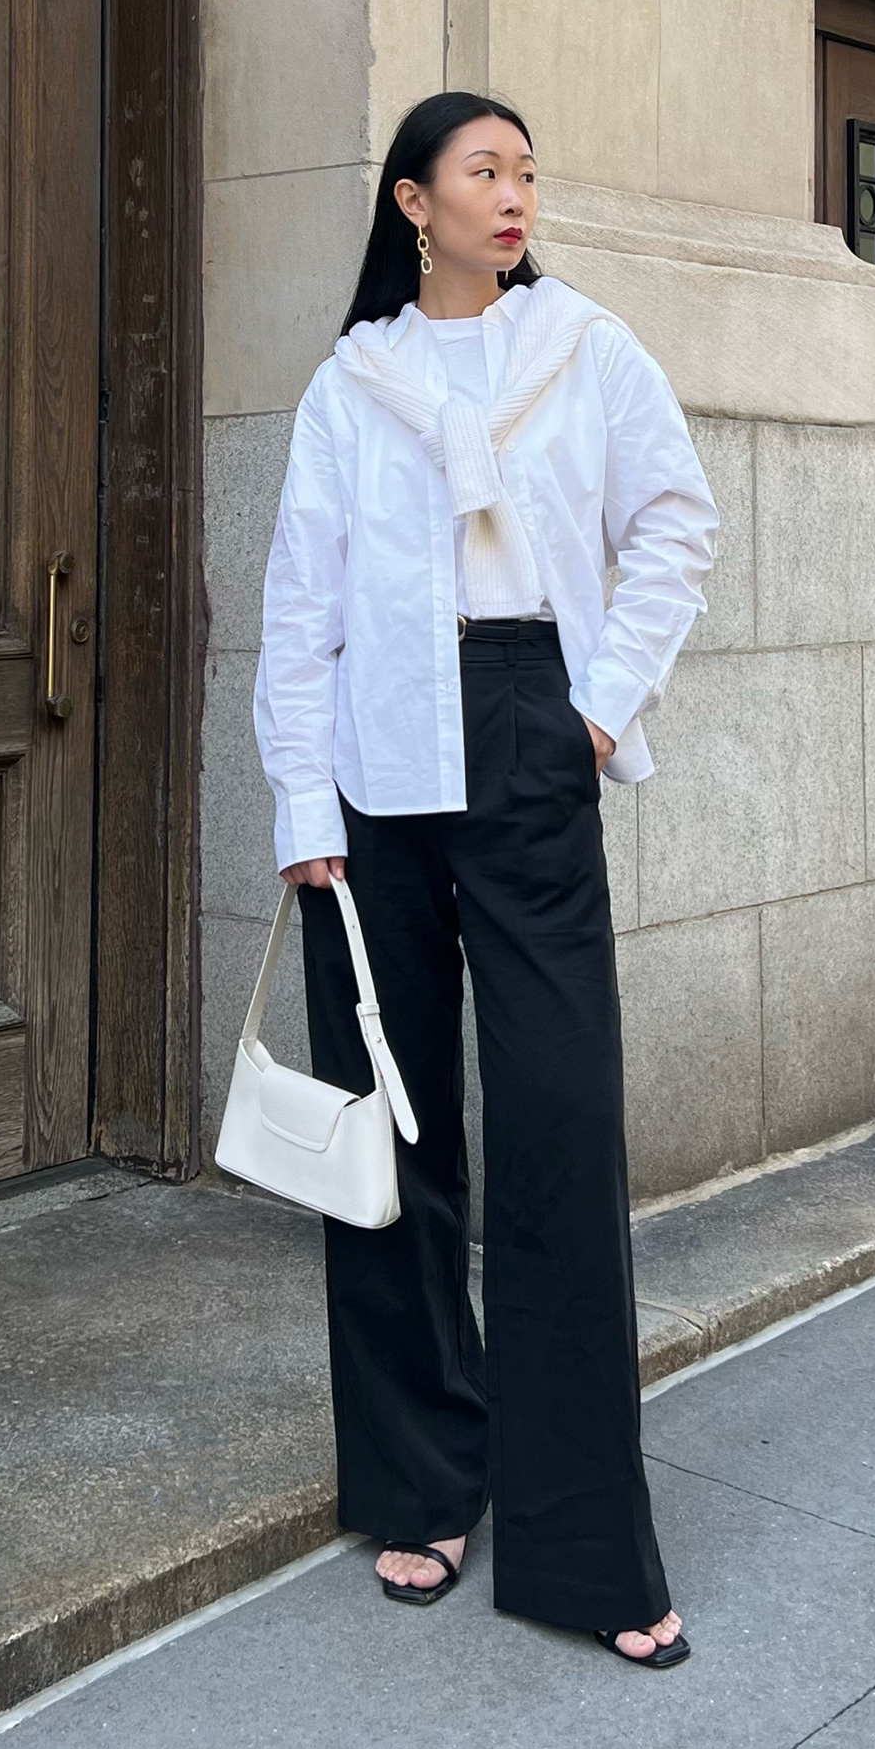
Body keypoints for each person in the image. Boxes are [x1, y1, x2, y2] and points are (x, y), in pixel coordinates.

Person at [252, 91, 718, 1667]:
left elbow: (677, 523)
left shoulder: (586, 348)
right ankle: (424, 1483)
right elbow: (300, 603)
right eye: (483, 171)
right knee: (392, 1136)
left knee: (559, 1120)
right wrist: (300, 801)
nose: (513, 194)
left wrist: (598, 706)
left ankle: (588, 1546)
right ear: (414, 201)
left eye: (526, 171)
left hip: (529, 723)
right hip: (372, 762)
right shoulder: (351, 383)